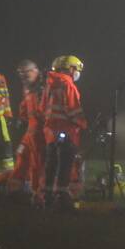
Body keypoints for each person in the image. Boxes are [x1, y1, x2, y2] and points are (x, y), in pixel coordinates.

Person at [41, 55, 87, 210]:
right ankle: (61, 196)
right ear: (71, 68)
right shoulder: (68, 85)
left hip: (50, 133)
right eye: (77, 69)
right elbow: (73, 110)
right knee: (65, 165)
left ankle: (46, 196)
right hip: (66, 131)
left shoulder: (49, 84)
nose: (77, 73)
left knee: (51, 164)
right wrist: (83, 124)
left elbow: (42, 108)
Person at [10, 59, 45, 196]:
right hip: (30, 131)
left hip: (40, 132)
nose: (23, 77)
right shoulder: (28, 87)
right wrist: (21, 118)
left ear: (35, 71)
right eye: (21, 74)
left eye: (26, 73)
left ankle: (37, 191)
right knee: (21, 154)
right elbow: (25, 104)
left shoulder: (43, 88)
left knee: (37, 162)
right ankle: (16, 189)